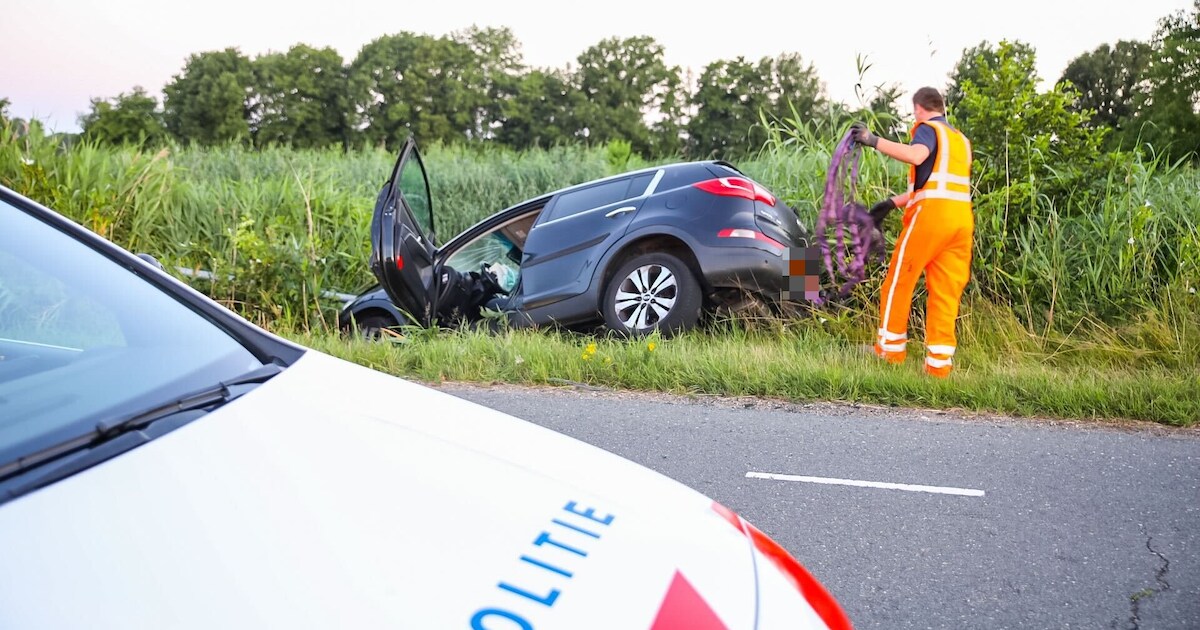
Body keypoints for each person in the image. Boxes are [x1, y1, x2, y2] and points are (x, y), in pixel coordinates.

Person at [850, 87, 973, 378]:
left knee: (898, 280)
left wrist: (872, 140)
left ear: (918, 108)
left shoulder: (928, 129)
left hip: (931, 217)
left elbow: (916, 157)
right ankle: (938, 368)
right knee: (945, 292)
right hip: (961, 222)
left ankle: (889, 351)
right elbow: (939, 184)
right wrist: (891, 203)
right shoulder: (960, 141)